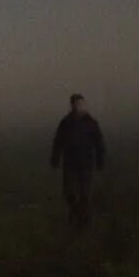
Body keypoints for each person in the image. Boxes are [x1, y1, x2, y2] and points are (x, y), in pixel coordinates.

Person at [50, 93, 105, 229]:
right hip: (70, 162)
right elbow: (58, 141)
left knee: (85, 193)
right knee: (69, 192)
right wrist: (55, 158)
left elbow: (99, 143)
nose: (78, 106)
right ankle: (76, 211)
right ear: (72, 105)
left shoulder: (91, 123)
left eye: (80, 104)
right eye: (76, 104)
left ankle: (83, 219)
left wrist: (100, 160)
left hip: (86, 163)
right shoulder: (66, 123)